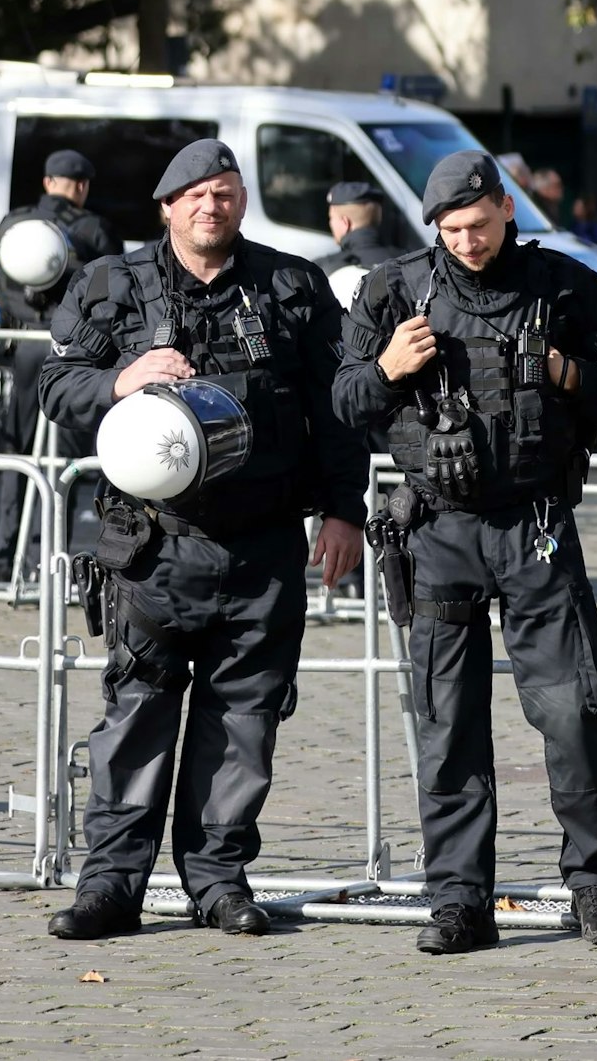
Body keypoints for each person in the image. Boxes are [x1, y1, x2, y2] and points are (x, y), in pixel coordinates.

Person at [38, 138, 368, 940]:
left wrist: (344, 510)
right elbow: (53, 384)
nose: (210, 206)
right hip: (153, 547)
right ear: (167, 206)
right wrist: (120, 378)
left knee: (245, 717)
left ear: (241, 201)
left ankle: (218, 878)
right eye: (194, 195)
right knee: (137, 714)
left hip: (263, 547)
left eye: (224, 192)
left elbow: (337, 409)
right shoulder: (111, 283)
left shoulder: (292, 284)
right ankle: (111, 885)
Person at [332, 150, 597, 954]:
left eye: (479, 223)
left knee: (573, 711)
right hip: (437, 530)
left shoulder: (565, 286)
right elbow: (345, 400)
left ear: (508, 209)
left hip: (535, 527)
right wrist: (387, 367)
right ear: (433, 226)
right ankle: (460, 901)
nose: (467, 241)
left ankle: (595, 886)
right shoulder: (395, 289)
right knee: (448, 723)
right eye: (451, 229)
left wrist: (568, 372)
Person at [0, 149, 123, 582]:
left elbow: (1, 288)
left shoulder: (14, 225)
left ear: (47, 183)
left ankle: (5, 554)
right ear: (81, 186)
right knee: (65, 462)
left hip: (25, 351)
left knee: (20, 452)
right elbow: (113, 290)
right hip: (70, 357)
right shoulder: (95, 229)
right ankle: (53, 560)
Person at [313, 182, 402, 276]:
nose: (330, 223)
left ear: (345, 223)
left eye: (331, 218)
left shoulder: (322, 270)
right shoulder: (407, 261)